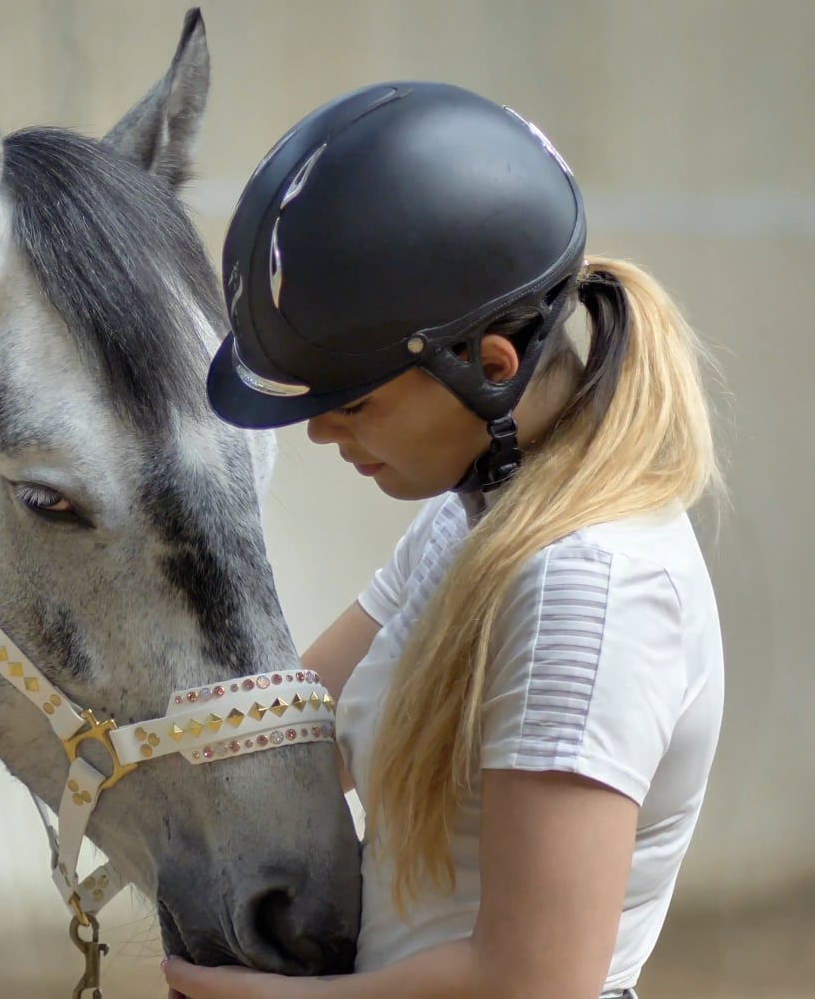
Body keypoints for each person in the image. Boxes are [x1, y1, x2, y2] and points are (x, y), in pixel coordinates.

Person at [161, 82, 724, 999]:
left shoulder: (589, 590)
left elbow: (533, 982)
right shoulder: (476, 520)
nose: (318, 434)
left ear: (486, 367)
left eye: (353, 403)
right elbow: (302, 729)